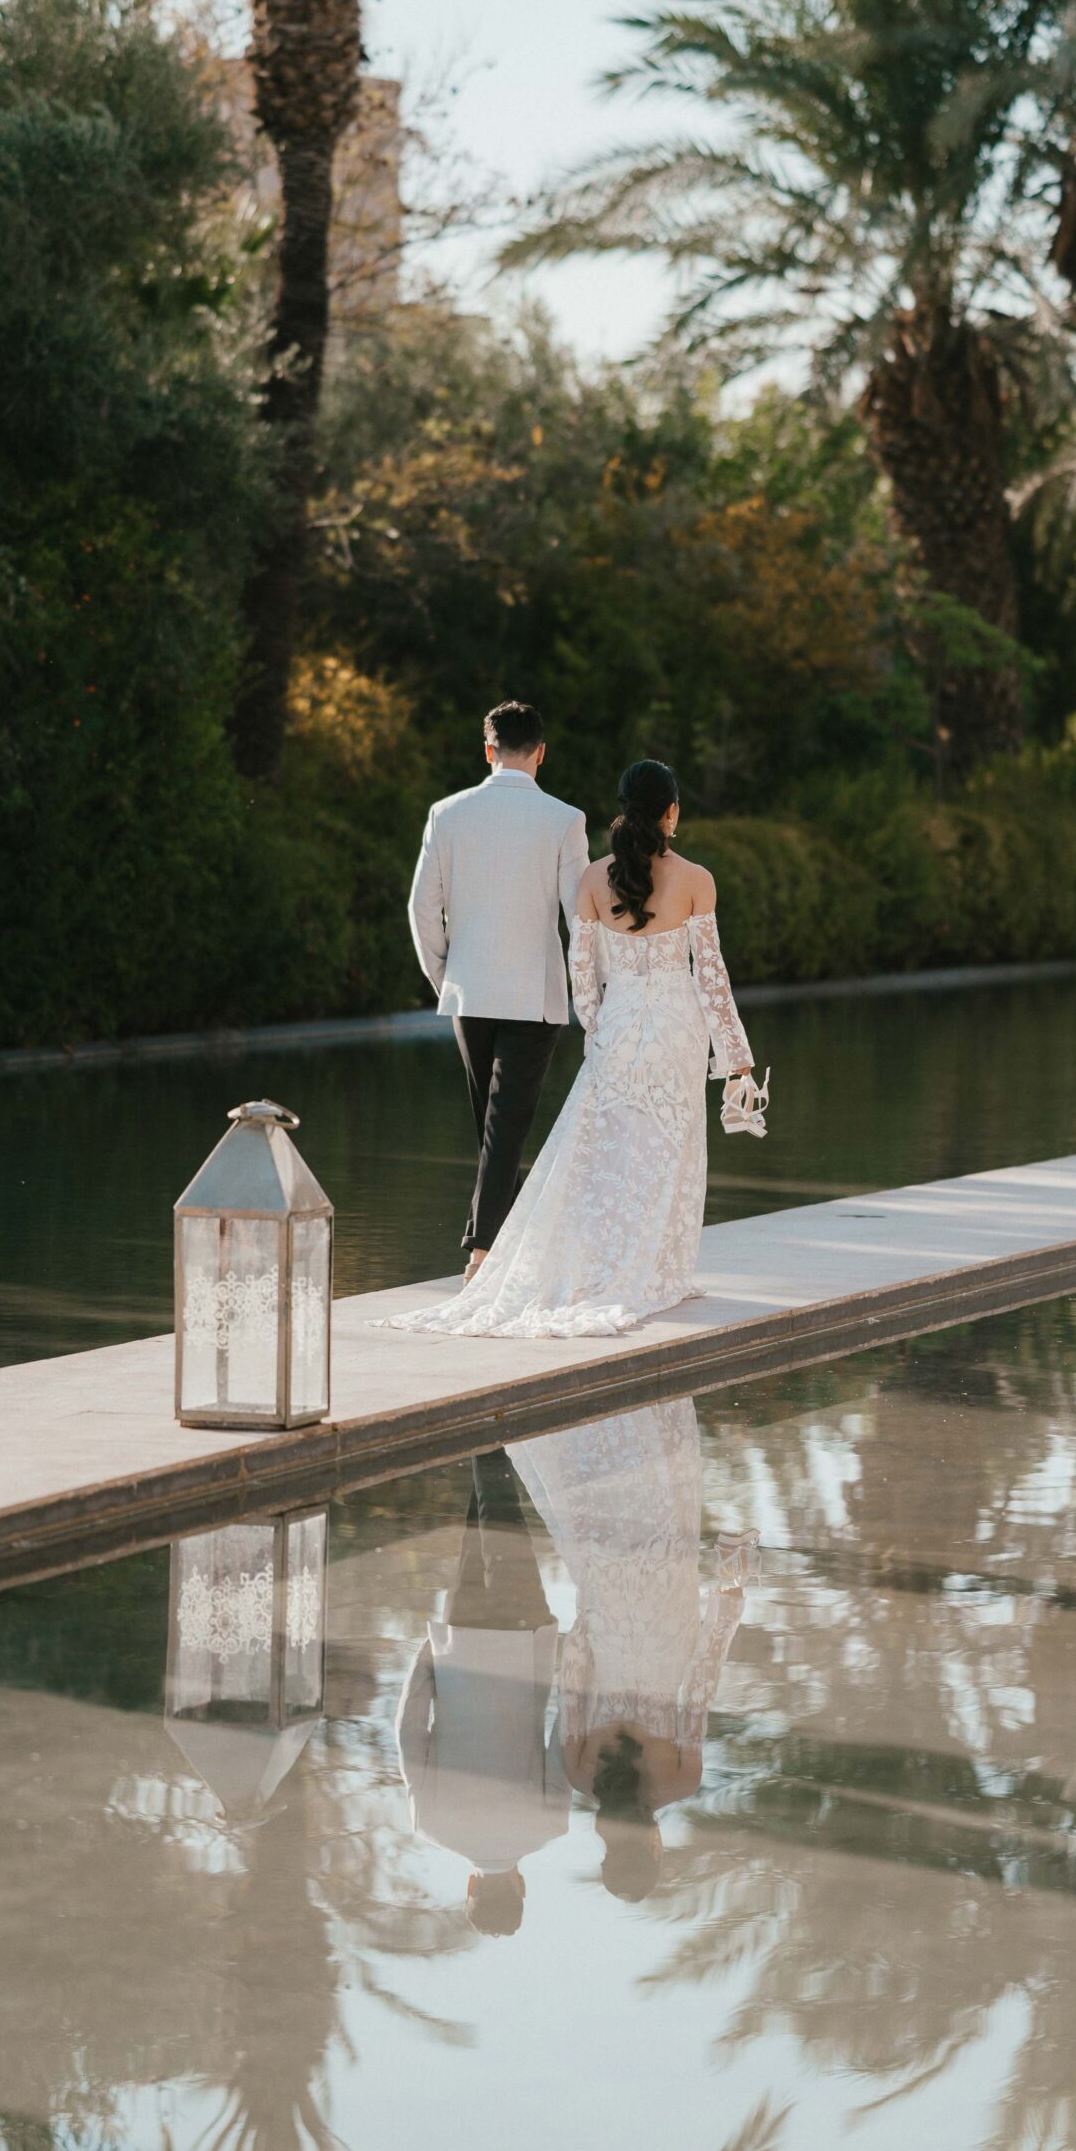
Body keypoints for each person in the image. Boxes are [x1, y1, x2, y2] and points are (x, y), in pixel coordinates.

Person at [394, 758, 759, 1341]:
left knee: (603, 1159)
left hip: (618, 1029)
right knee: (668, 1153)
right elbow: (712, 979)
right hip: (677, 1032)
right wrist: (736, 1059)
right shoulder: (697, 879)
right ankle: (656, 1271)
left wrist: (599, 1030)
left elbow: (582, 978)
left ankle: (593, 1266)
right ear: (671, 813)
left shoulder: (592, 880)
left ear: (623, 809)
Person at [508, 1397, 754, 1904]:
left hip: (667, 1619)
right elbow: (573, 1676)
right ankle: (598, 1404)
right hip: (612, 1617)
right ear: (608, 1854)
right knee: (596, 1501)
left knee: (659, 1490)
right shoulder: (579, 1774)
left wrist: (729, 1596)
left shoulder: (681, 1781)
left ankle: (642, 1395)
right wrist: (592, 1612)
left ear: (656, 1849)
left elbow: (699, 1686)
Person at [407, 699, 589, 1283]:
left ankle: (493, 1248)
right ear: (541, 753)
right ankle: (485, 1252)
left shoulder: (446, 813)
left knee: (494, 1124)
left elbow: (421, 909)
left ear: (488, 749)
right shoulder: (565, 819)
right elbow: (580, 918)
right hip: (535, 995)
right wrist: (594, 992)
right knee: (502, 1125)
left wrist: (444, 976)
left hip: (470, 991)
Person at [394, 1456, 570, 1938]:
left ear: (521, 1888)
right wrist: (430, 1657)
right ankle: (484, 1437)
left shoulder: (549, 1827)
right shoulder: (430, 1824)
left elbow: (563, 1737)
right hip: (461, 1647)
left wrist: (570, 1670)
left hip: (523, 1645)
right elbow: (409, 1732)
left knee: (501, 1520)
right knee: (478, 1530)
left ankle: (490, 1433)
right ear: (471, 1887)